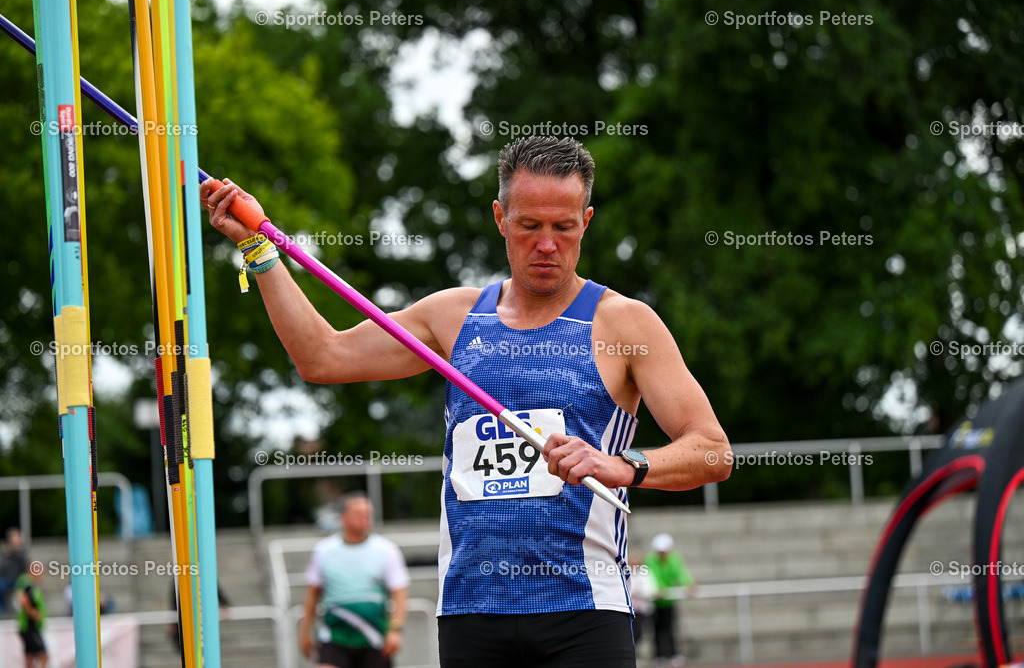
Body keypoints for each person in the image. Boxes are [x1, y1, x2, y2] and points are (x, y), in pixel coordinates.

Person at [203, 136, 730, 666]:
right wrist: (260, 252)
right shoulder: (453, 317)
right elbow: (322, 357)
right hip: (470, 613)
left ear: (585, 222)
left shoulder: (624, 323)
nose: (546, 244)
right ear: (501, 217)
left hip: (584, 612)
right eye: (529, 226)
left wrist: (620, 465)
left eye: (563, 227)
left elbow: (712, 451)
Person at [299, 493, 409, 668]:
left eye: (368, 514)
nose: (365, 519)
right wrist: (304, 631)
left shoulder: (387, 550)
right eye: (358, 514)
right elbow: (312, 594)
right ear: (343, 517)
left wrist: (395, 629)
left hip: (374, 636)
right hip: (335, 635)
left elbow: (400, 594)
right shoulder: (324, 550)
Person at [644, 534, 695, 666]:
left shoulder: (674, 559)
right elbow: (651, 576)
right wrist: (658, 589)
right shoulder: (650, 560)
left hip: (669, 601)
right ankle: (658, 655)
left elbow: (681, 573)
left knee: (670, 628)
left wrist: (688, 584)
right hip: (654, 602)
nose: (662, 554)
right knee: (656, 629)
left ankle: (673, 654)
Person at [15, 561, 48, 668]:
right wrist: (32, 612)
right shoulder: (25, 581)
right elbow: (22, 599)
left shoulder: (30, 584)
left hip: (29, 626)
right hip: (29, 626)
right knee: (44, 656)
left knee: (29, 657)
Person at [0, 527, 28, 615]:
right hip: (7, 578)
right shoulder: (5, 552)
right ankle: (2, 610)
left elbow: (24, 562)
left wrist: (12, 551)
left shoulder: (22, 551)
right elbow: (3, 566)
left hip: (19, 579)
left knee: (26, 588)